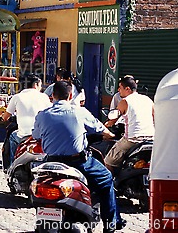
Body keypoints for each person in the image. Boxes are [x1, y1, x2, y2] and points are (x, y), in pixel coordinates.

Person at [32, 81, 124, 233]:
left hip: (51, 163)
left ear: (52, 96)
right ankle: (111, 225)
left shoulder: (42, 115)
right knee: (107, 179)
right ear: (70, 96)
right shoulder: (79, 112)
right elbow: (101, 129)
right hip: (78, 162)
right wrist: (111, 135)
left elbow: (36, 135)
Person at [104, 75, 155, 174]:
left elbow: (113, 119)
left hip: (133, 139)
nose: (118, 90)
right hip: (151, 139)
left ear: (127, 89)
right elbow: (155, 117)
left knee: (108, 161)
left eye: (120, 87)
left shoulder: (125, 102)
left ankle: (113, 186)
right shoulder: (147, 99)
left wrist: (106, 124)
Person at [0, 74, 51, 164]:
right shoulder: (44, 97)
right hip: (42, 135)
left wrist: (2, 117)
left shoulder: (17, 97)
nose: (41, 88)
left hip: (23, 136)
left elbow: (6, 116)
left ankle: (12, 165)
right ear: (35, 85)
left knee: (12, 137)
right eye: (40, 85)